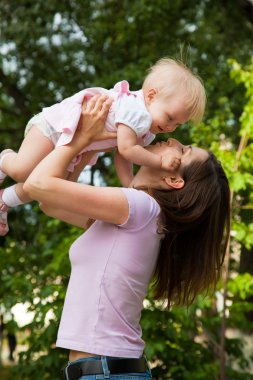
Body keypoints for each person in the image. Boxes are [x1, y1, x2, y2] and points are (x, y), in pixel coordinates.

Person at [23, 95, 230, 380]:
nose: (171, 141)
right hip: (105, 370)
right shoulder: (141, 215)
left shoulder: (139, 207)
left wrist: (81, 137)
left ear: (173, 180)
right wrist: (85, 149)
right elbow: (50, 203)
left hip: (106, 370)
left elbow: (38, 185)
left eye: (182, 150)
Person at [0, 57, 206, 235]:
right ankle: (4, 159)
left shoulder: (147, 131)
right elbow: (126, 149)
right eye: (169, 117)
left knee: (45, 189)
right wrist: (159, 160)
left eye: (176, 124)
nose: (170, 128)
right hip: (57, 127)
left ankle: (5, 200)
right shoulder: (137, 111)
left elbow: (122, 157)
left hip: (78, 147)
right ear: (151, 96)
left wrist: (130, 185)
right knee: (22, 171)